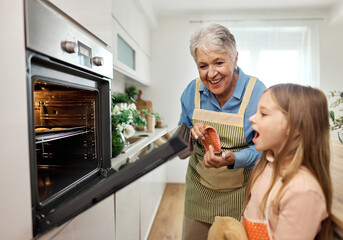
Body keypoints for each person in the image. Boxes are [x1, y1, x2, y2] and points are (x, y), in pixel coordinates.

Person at [178, 23, 266, 240]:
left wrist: (234, 158)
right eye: (203, 66)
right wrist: (190, 134)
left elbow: (264, 151)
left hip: (241, 196)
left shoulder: (257, 93)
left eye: (219, 62)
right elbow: (180, 149)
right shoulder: (192, 91)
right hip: (199, 194)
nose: (211, 74)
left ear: (235, 59)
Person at [243, 84, 333, 240]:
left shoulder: (303, 190)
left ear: (295, 127)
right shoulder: (264, 166)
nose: (252, 118)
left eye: (263, 114)